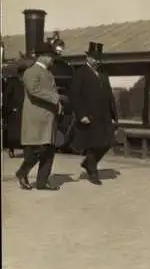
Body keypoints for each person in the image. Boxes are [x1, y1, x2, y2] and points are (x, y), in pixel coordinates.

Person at [14, 33, 65, 191]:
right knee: (37, 151)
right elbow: (33, 90)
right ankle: (22, 173)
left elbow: (51, 93)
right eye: (50, 56)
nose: (52, 59)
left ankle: (42, 182)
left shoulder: (48, 73)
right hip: (36, 118)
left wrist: (58, 105)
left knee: (49, 152)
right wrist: (55, 98)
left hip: (49, 118)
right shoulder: (31, 72)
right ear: (43, 57)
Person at [70, 42, 118, 186]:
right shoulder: (81, 73)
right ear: (88, 57)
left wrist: (114, 115)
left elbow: (109, 95)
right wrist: (81, 114)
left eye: (99, 58)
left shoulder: (103, 73)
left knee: (108, 142)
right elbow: (75, 96)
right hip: (89, 116)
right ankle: (93, 171)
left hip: (104, 116)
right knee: (94, 143)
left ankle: (88, 162)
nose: (97, 61)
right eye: (94, 58)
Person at [4, 72, 25, 157]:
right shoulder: (13, 82)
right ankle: (11, 149)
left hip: (24, 110)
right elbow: (6, 97)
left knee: (24, 131)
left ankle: (25, 150)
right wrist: (12, 108)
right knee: (13, 132)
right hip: (14, 111)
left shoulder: (27, 82)